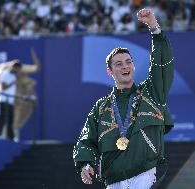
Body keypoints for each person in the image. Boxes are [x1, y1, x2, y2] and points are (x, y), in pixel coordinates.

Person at [73, 8, 174, 189]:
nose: (124, 66)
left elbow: (162, 64)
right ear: (110, 72)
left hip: (144, 174)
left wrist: (154, 27)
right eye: (118, 64)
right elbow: (87, 139)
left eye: (128, 62)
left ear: (134, 66)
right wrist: (85, 163)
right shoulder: (101, 107)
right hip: (113, 180)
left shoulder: (152, 93)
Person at [0, 60, 22, 141]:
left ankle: (11, 137)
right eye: (17, 68)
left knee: (10, 119)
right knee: (2, 118)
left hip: (10, 100)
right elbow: (3, 88)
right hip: (3, 99)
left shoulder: (14, 76)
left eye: (19, 68)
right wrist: (12, 83)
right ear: (13, 67)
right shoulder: (4, 74)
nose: (18, 70)